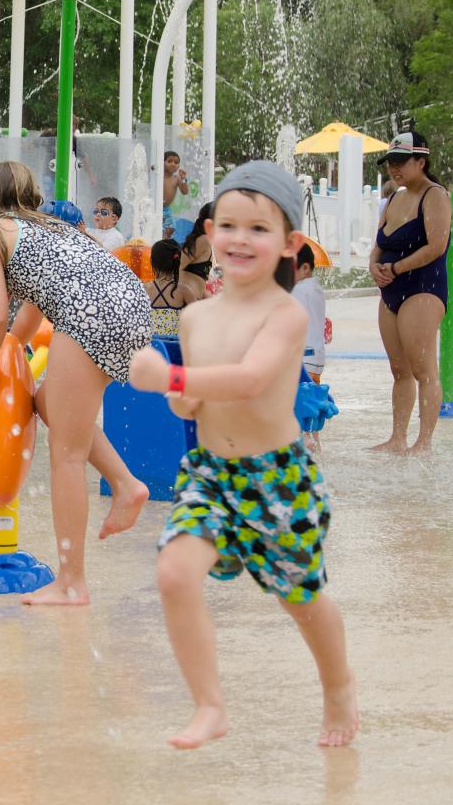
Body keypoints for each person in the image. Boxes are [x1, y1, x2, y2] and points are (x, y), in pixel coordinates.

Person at [128, 160, 356, 750]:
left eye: (259, 229)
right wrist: (180, 393)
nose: (240, 239)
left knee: (300, 598)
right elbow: (197, 402)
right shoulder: (198, 316)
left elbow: (252, 380)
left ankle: (338, 687)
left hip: (277, 478)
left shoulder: (286, 314)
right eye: (228, 225)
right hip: (211, 476)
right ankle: (209, 704)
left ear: (290, 243)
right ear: (208, 233)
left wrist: (168, 378)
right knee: (175, 571)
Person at [0, 161, 153, 607]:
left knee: (66, 456)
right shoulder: (51, 229)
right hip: (132, 306)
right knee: (51, 403)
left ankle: (72, 582)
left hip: (91, 315)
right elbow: (30, 310)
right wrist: (12, 353)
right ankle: (126, 485)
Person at [369, 131, 452, 455]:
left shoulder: (435, 196)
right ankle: (397, 437)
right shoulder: (393, 198)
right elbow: (379, 243)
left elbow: (437, 246)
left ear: (421, 161)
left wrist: (397, 268)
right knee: (399, 370)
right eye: (391, 163)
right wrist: (374, 266)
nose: (394, 169)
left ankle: (424, 441)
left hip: (422, 288)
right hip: (390, 287)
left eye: (401, 162)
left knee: (423, 369)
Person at [144, 238, 198, 335]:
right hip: (174, 348)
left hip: (152, 347)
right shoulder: (183, 291)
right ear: (177, 262)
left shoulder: (144, 289)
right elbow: (200, 320)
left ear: (153, 262)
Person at [292, 245, 328, 383]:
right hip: (315, 359)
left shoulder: (298, 290)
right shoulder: (314, 288)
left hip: (301, 361)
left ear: (305, 268)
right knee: (309, 398)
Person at [180, 201, 216, 299]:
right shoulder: (203, 240)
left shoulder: (206, 241)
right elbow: (176, 267)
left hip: (193, 299)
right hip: (186, 301)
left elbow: (199, 280)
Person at [163, 151, 190, 237]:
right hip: (154, 208)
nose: (173, 164)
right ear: (162, 162)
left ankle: (164, 243)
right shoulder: (159, 176)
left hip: (166, 209)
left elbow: (185, 191)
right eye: (169, 161)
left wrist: (183, 179)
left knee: (171, 228)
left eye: (176, 162)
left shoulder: (176, 178)